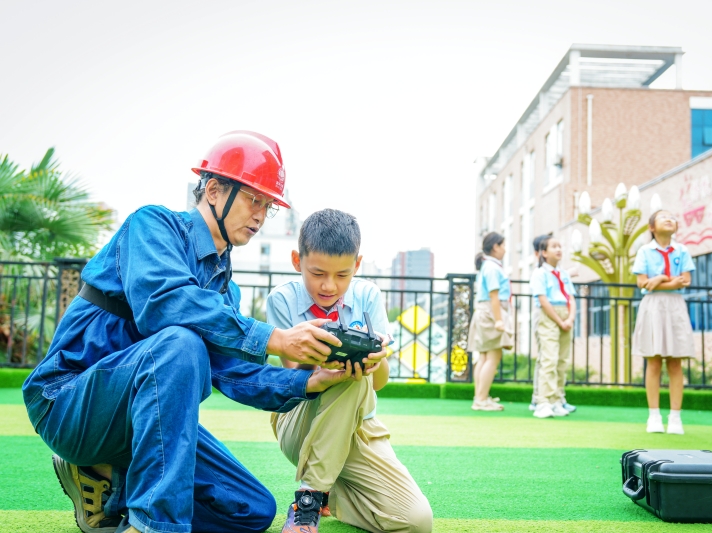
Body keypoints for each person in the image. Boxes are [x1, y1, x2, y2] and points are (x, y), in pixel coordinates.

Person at [21, 131, 355, 533]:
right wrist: (276, 338)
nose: (260, 215)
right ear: (213, 190)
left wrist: (309, 381)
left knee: (251, 510)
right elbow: (164, 302)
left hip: (140, 422)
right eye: (254, 199)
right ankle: (151, 525)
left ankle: (112, 488)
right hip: (68, 402)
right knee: (181, 342)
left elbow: (234, 373)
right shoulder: (152, 225)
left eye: (268, 206)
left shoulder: (224, 288)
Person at [267, 209, 433, 533]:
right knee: (347, 376)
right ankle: (310, 498)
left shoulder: (368, 295)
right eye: (317, 273)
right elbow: (293, 374)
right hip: (300, 419)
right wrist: (326, 361)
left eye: (342, 275)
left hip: (361, 428)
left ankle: (333, 490)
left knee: (417, 523)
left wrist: (373, 361)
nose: (329, 285)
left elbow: (380, 383)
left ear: (357, 265)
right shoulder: (282, 299)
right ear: (296, 260)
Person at [631, 210, 695, 434]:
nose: (669, 219)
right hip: (653, 306)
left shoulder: (682, 250)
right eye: (663, 217)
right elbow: (642, 283)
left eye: (672, 216)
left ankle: (675, 418)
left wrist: (658, 279)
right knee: (654, 361)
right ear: (651, 227)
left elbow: (685, 280)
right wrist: (666, 280)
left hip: (675, 305)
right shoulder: (644, 251)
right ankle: (654, 416)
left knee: (675, 362)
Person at [528, 234, 578, 415]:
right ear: (543, 252)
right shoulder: (539, 273)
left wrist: (570, 318)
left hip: (565, 315)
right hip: (549, 316)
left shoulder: (563, 274)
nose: (559, 249)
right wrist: (560, 320)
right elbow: (543, 300)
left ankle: (557, 399)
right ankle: (543, 401)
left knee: (562, 360)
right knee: (549, 359)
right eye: (553, 246)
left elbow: (571, 297)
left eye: (560, 246)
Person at [467, 232, 513, 411]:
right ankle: (481, 399)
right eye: (503, 246)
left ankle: (480, 397)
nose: (504, 250)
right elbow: (494, 296)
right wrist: (499, 320)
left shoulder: (487, 266)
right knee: (493, 356)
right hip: (491, 312)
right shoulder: (493, 267)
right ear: (495, 247)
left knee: (485, 356)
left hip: (484, 311)